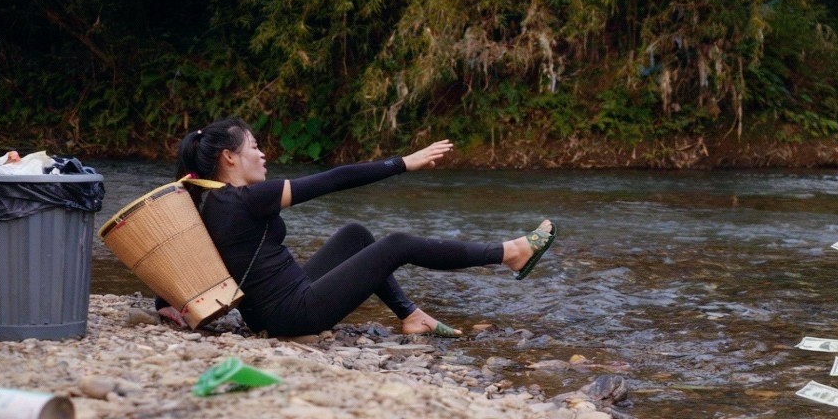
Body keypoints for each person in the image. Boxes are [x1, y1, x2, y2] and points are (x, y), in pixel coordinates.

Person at [165, 117, 556, 338]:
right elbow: (336, 179)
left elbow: (170, 251)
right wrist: (403, 162)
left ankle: (411, 315)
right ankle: (509, 254)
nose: (262, 153)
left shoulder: (206, 201)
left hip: (275, 307)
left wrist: (165, 303)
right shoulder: (247, 198)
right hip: (291, 314)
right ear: (230, 157)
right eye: (253, 146)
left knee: (356, 235)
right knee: (397, 244)